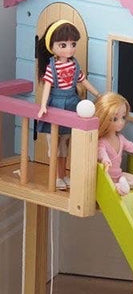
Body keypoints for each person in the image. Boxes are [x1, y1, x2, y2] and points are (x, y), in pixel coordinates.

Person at [36, 20, 100, 189]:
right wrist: (43, 105)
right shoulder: (52, 67)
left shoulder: (74, 65)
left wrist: (98, 94)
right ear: (53, 46)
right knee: (54, 144)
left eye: (73, 44)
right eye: (63, 45)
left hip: (72, 103)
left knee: (65, 143)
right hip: (56, 104)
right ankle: (56, 177)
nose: (69, 49)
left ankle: (63, 175)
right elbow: (48, 87)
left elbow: (83, 81)